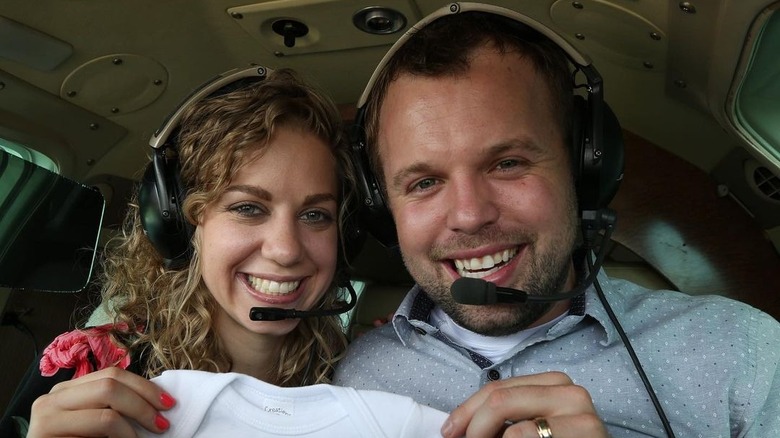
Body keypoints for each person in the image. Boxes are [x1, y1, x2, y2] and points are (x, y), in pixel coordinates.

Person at [333, 3, 780, 438]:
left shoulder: (741, 350)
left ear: (583, 171)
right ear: (381, 208)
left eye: (507, 163)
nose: (469, 216)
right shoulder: (356, 377)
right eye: (425, 182)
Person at [0, 66, 447, 438]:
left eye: (315, 215)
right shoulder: (87, 369)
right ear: (180, 223)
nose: (286, 250)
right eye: (248, 208)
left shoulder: (364, 389)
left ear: (344, 236)